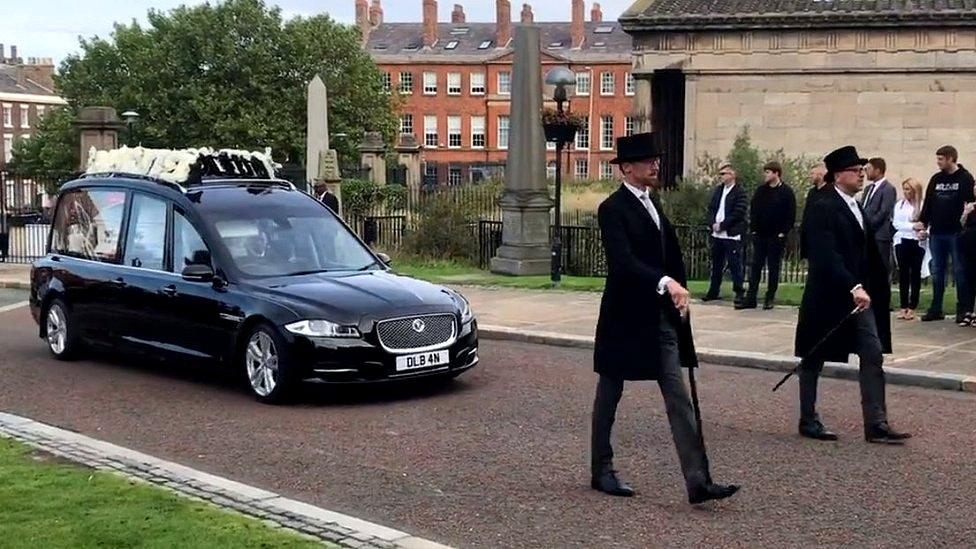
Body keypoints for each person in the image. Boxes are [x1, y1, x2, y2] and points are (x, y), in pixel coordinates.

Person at [592, 132, 739, 504]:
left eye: (655, 159)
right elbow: (623, 263)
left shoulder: (653, 204)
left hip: (661, 319)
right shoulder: (612, 209)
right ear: (626, 168)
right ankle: (601, 469)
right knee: (610, 394)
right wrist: (665, 282)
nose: (655, 165)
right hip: (625, 318)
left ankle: (698, 480)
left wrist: (678, 292)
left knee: (679, 397)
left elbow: (668, 257)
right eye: (646, 160)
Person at [794, 145, 911, 444]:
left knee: (872, 354)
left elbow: (866, 252)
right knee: (813, 356)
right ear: (837, 175)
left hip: (860, 298)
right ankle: (808, 419)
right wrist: (852, 285)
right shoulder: (823, 205)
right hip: (829, 296)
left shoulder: (857, 206)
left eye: (862, 171)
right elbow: (825, 254)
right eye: (855, 171)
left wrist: (874, 284)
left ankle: (876, 424)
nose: (861, 175)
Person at [914, 146, 975, 323]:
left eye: (941, 159)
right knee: (937, 271)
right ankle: (936, 308)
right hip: (937, 233)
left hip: (956, 233)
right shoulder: (936, 179)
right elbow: (929, 204)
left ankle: (963, 310)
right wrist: (923, 223)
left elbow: (970, 205)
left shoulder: (965, 178)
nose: (938, 162)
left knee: (959, 271)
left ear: (950, 159)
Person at [743, 161, 796, 310]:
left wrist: (782, 233)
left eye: (768, 172)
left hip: (776, 237)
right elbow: (753, 210)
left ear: (776, 173)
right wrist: (753, 229)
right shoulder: (761, 191)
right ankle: (751, 297)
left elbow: (790, 215)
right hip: (760, 235)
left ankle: (769, 297)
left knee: (773, 267)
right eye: (765, 172)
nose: (765, 175)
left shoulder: (786, 192)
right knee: (755, 266)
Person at [702, 163, 748, 306]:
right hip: (717, 234)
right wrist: (712, 224)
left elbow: (738, 212)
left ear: (732, 175)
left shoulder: (740, 192)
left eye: (724, 174)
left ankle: (739, 292)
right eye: (720, 174)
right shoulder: (718, 190)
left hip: (731, 234)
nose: (721, 177)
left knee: (735, 264)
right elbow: (711, 208)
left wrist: (723, 225)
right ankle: (713, 291)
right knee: (716, 264)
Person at [893, 178, 926, 321]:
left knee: (915, 274)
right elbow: (896, 223)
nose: (906, 192)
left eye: (909, 189)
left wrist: (925, 232)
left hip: (916, 242)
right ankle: (903, 306)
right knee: (903, 274)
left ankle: (912, 306)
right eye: (904, 189)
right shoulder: (899, 205)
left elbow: (926, 224)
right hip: (902, 240)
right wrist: (911, 226)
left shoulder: (923, 205)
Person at [860, 158, 897, 276]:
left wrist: (869, 225)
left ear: (878, 170)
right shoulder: (868, 189)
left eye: (868, 169)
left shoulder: (888, 189)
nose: (866, 172)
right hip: (866, 234)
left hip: (880, 235)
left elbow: (884, 211)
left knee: (880, 267)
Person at [800, 163, 829, 260]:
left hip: (824, 240)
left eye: (812, 173)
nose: (810, 176)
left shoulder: (831, 192)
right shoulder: (812, 192)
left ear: (820, 175)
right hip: (811, 239)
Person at [957, 200, 976, 326]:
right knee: (968, 279)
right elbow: (962, 223)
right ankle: (968, 311)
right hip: (969, 245)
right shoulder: (970, 206)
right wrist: (965, 212)